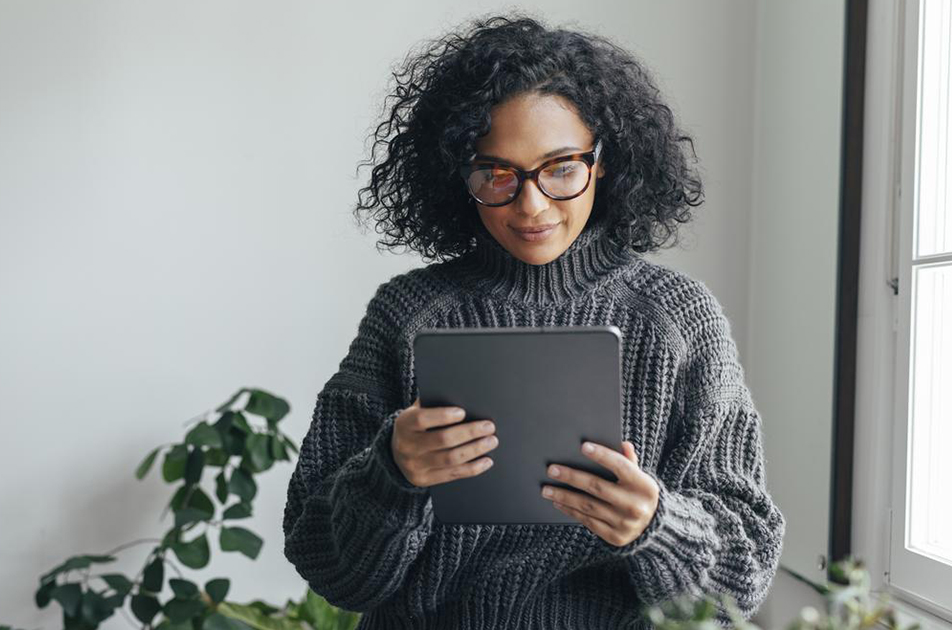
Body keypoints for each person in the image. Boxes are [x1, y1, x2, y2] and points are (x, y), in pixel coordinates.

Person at [281, 13, 785, 629]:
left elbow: (744, 572)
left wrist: (657, 527)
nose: (531, 205)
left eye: (561, 168)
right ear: (459, 173)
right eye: (497, 174)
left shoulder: (677, 318)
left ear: (603, 161)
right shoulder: (407, 314)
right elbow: (325, 562)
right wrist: (391, 473)